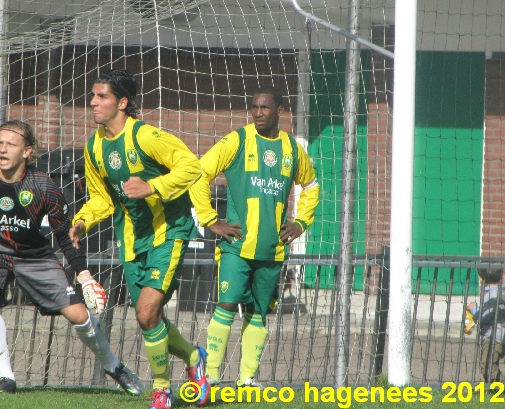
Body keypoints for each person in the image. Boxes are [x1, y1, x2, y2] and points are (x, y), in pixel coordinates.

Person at [0, 120, 143, 396]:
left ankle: (113, 366)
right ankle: (6, 377)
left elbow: (65, 236)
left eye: (12, 144)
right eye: (0, 143)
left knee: (79, 316)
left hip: (34, 257)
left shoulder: (44, 187)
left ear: (28, 151)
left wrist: (85, 276)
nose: (4, 150)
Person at [69, 69, 210, 409]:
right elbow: (103, 199)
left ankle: (162, 390)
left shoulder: (146, 137)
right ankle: (194, 358)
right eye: (93, 96)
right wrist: (82, 221)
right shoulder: (94, 147)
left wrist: (152, 187)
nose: (93, 102)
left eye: (101, 96)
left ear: (123, 102)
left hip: (168, 232)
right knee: (150, 318)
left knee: (147, 313)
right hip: (132, 241)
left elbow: (192, 167)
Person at [190, 86, 320, 388]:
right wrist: (211, 220)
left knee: (258, 312)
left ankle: (246, 379)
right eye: (254, 107)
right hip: (236, 246)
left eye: (264, 108)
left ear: (280, 111)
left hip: (272, 250)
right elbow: (199, 173)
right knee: (225, 305)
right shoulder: (237, 140)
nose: (258, 113)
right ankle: (208, 377)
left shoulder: (292, 149)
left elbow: (311, 186)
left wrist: (301, 222)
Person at [466, 268, 505, 385]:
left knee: (487, 365)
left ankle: (500, 385)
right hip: (499, 334)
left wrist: (473, 308)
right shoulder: (501, 291)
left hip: (493, 336)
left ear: (480, 277)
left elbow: (485, 317)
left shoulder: (492, 295)